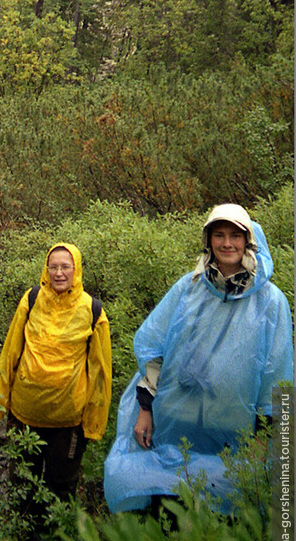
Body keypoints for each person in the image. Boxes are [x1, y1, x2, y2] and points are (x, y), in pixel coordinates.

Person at [104, 203, 294, 516]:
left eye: (235, 235)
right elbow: (155, 349)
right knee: (170, 511)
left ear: (248, 241)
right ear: (209, 241)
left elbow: (277, 374)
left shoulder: (270, 302)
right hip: (177, 423)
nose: (227, 243)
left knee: (225, 521)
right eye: (219, 235)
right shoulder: (188, 289)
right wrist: (145, 410)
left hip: (235, 436)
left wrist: (264, 436)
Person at [0, 243, 111, 541]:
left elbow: (101, 371)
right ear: (46, 269)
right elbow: (11, 351)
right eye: (53, 266)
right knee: (24, 480)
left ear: (77, 270)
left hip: (68, 420)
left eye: (65, 267)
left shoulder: (93, 310)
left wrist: (94, 421)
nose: (59, 273)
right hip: (24, 413)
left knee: (61, 484)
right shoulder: (31, 301)